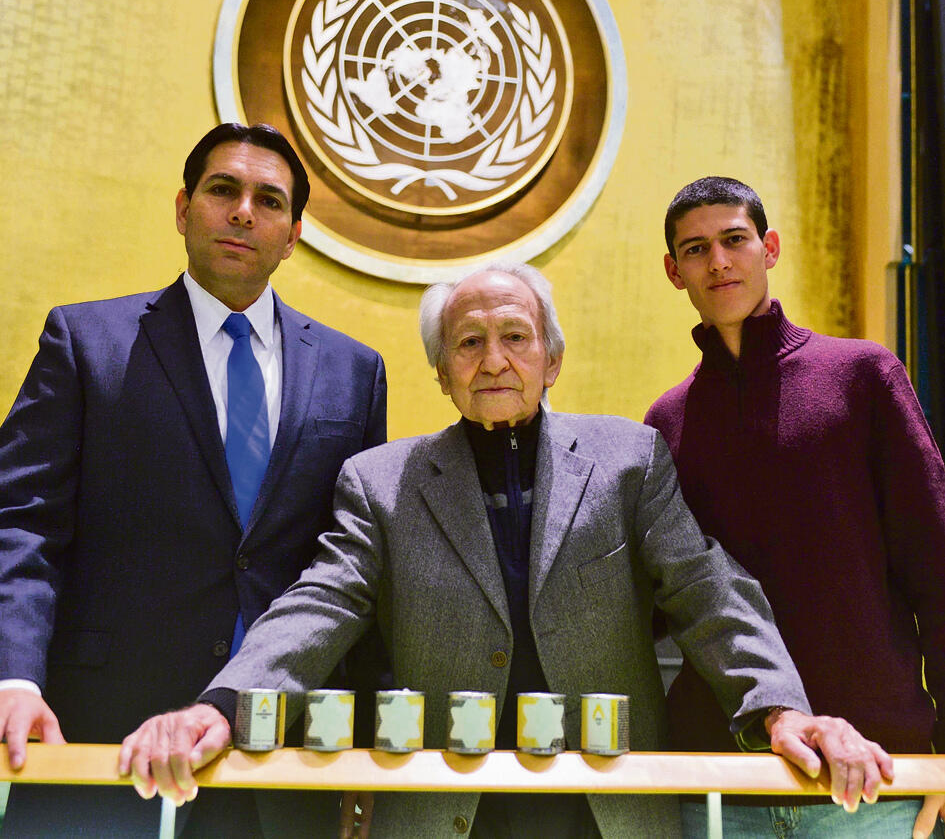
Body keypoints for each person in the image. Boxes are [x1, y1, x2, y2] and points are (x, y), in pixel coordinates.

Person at [121, 262, 891, 838]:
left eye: (515, 337)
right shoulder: (380, 482)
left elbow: (706, 591)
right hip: (445, 812)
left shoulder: (629, 460)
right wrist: (224, 704)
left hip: (606, 809)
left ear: (551, 361)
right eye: (469, 342)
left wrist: (780, 708)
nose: (493, 359)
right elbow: (320, 600)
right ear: (443, 373)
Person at [0, 123, 387, 837]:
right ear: (183, 209)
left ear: (294, 232)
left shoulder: (353, 372)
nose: (244, 211)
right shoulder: (87, 343)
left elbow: (353, 567)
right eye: (222, 190)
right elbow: (21, 521)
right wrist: (13, 677)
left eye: (269, 201)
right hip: (96, 736)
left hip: (271, 748)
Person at [645, 175, 945, 838]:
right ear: (673, 271)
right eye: (695, 250)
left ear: (769, 247)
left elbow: (935, 562)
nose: (717, 261)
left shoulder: (861, 376)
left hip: (876, 774)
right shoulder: (666, 422)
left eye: (734, 240)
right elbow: (663, 604)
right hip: (721, 780)